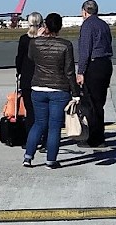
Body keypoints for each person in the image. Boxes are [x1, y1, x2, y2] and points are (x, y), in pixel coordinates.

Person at [23, 13, 81, 169]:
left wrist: (38, 39)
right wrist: (75, 93)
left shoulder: (35, 43)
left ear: (45, 26)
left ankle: (28, 157)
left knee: (38, 123)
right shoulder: (65, 45)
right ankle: (50, 160)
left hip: (38, 87)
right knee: (54, 126)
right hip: (59, 88)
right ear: (60, 27)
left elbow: (31, 58)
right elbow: (69, 72)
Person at [76, 0, 113, 148]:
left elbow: (85, 50)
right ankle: (98, 136)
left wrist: (81, 71)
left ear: (84, 11)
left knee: (91, 104)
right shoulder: (104, 24)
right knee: (99, 103)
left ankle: (94, 138)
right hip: (105, 64)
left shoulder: (87, 25)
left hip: (94, 65)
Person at [15, 12, 44, 149]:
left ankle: (30, 140)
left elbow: (19, 59)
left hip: (27, 79)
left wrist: (19, 72)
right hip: (41, 78)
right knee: (43, 111)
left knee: (30, 111)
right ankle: (44, 140)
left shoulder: (24, 39)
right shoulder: (44, 39)